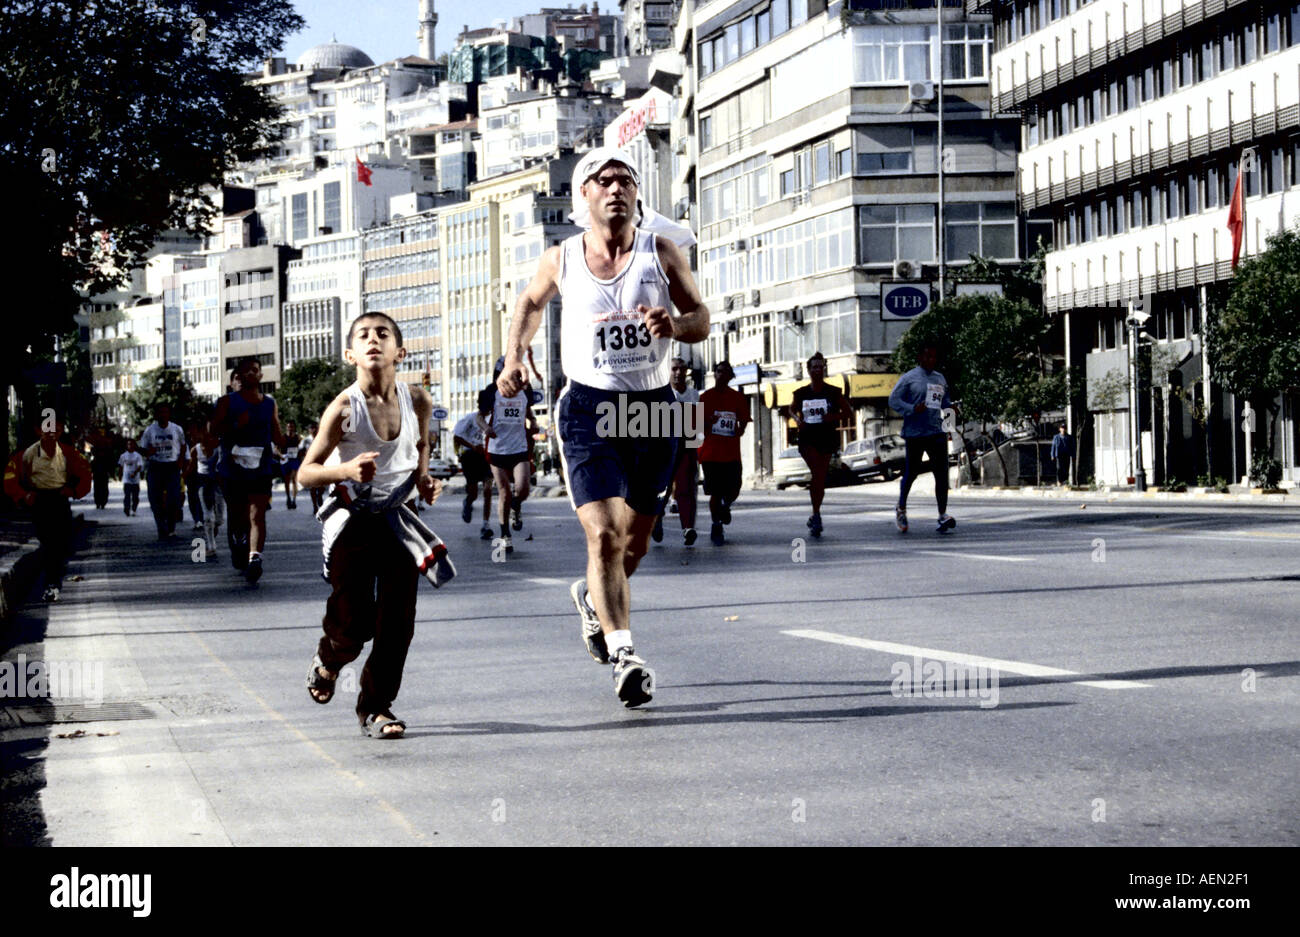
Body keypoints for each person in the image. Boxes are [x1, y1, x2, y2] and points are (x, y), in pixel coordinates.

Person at [500, 146, 708, 708]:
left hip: (655, 407)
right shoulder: (560, 258)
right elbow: (528, 302)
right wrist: (514, 356)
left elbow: (701, 319)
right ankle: (625, 654)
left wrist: (676, 324)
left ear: (637, 195)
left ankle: (593, 602)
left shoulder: (660, 252)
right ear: (584, 196)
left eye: (625, 180)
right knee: (604, 536)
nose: (616, 188)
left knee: (634, 545)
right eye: (604, 180)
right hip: (590, 409)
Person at [298, 311, 450, 739]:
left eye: (382, 334)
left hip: (400, 518)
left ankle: (376, 706)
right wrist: (345, 469)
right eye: (363, 336)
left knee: (397, 620)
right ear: (351, 354)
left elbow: (421, 445)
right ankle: (330, 658)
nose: (373, 340)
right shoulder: (345, 408)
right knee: (355, 621)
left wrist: (423, 481)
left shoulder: (417, 400)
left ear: (399, 352)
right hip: (352, 518)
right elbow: (305, 473)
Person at [3, 416, 92, 601]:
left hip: (59, 500)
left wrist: (74, 491)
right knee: (48, 542)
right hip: (38, 502)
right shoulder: (25, 455)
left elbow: (85, 473)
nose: (52, 434)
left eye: (57, 430)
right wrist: (23, 495)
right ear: (39, 430)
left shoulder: (69, 453)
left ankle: (53, 581)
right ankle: (51, 582)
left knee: (60, 543)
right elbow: (9, 478)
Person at [213, 357, 284, 582]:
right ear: (240, 376)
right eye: (247, 371)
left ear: (261, 375)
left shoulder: (269, 403)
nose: (252, 374)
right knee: (238, 516)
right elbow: (214, 430)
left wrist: (286, 442)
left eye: (256, 370)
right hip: (233, 469)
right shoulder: (226, 402)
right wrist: (236, 425)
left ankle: (255, 559)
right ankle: (239, 544)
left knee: (257, 514)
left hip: (261, 468)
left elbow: (276, 432)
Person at [888, 342, 956, 534]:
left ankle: (942, 515)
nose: (930, 360)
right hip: (915, 433)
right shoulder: (909, 378)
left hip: (936, 432)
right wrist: (911, 409)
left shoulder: (940, 378)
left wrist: (950, 418)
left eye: (933, 357)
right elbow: (893, 400)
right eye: (926, 356)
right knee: (911, 473)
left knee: (942, 475)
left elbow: (946, 403)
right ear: (919, 358)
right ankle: (901, 508)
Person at [784, 352, 853, 537]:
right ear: (808, 370)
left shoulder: (833, 392)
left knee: (820, 478)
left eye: (820, 366)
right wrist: (797, 419)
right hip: (808, 438)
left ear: (824, 369)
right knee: (817, 472)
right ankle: (816, 515)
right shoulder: (801, 393)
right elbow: (790, 409)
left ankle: (815, 514)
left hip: (827, 437)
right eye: (814, 367)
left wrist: (833, 416)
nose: (817, 370)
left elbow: (848, 412)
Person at [481, 357, 537, 554]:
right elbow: (479, 416)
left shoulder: (524, 392)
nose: (514, 378)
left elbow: (527, 409)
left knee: (523, 490)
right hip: (497, 449)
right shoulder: (491, 392)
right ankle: (505, 534)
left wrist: (533, 421)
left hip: (519, 447)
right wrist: (486, 427)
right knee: (504, 492)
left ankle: (516, 507)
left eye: (516, 375)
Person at [698, 360, 750, 546]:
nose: (722, 375)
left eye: (726, 372)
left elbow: (744, 419)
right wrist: (708, 421)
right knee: (715, 491)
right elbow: (696, 425)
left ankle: (725, 506)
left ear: (730, 377)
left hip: (731, 452)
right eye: (719, 371)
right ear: (715, 374)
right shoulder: (704, 398)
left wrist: (741, 429)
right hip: (710, 452)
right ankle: (716, 524)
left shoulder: (737, 398)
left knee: (734, 487)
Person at [653, 357, 699, 546]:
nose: (679, 373)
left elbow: (696, 424)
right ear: (668, 371)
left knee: (686, 486)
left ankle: (688, 527)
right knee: (663, 488)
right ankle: (657, 518)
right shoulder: (660, 393)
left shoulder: (693, 395)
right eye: (674, 369)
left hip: (687, 445)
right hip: (665, 446)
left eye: (682, 369)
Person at [140, 402, 187, 540]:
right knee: (156, 500)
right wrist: (149, 452)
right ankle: (161, 528)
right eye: (160, 412)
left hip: (172, 466)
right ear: (156, 415)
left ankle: (171, 528)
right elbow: (143, 449)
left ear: (169, 414)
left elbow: (183, 446)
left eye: (165, 412)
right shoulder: (150, 430)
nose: (163, 415)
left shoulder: (177, 429)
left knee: (173, 498)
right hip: (156, 466)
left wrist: (180, 462)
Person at [452, 407, 494, 540]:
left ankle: (485, 526)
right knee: (474, 493)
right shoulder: (470, 418)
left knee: (488, 490)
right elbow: (457, 437)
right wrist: (473, 446)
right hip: (470, 456)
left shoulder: (494, 419)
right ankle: (468, 502)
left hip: (487, 457)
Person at [87, 425, 115, 510]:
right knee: (101, 486)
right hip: (100, 467)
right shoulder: (101, 442)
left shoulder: (102, 442)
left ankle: (100, 502)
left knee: (99, 486)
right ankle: (101, 502)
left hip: (101, 467)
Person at [117, 439, 144, 515]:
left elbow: (140, 466)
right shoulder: (123, 456)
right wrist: (120, 475)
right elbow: (121, 466)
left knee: (135, 497)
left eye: (131, 444)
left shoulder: (138, 456)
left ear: (134, 445)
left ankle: (134, 508)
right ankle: (127, 508)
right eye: (128, 444)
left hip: (135, 480)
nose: (130, 446)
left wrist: (135, 473)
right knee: (127, 495)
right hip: (126, 479)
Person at [281, 420, 302, 509]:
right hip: (285, 461)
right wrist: (280, 456)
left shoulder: (298, 438)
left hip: (295, 461)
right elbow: (276, 448)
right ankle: (288, 498)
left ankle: (294, 500)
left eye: (292, 426)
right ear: (286, 427)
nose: (290, 428)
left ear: (294, 428)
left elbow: (302, 448)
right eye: (289, 426)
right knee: (286, 481)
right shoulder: (283, 437)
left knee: (294, 480)